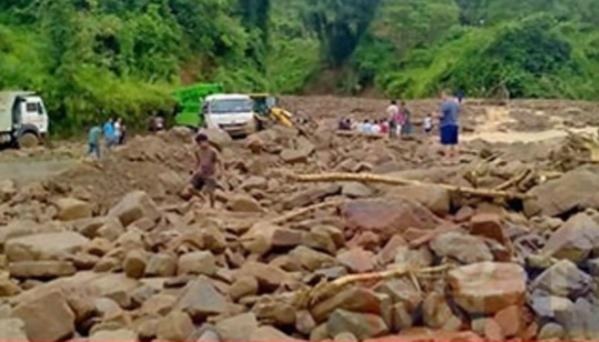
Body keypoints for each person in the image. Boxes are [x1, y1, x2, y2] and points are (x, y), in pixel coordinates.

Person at [184, 133, 224, 208]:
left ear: (206, 141)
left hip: (210, 174)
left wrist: (221, 172)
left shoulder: (213, 151)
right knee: (190, 188)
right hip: (200, 173)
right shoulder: (198, 151)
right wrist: (194, 169)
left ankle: (212, 207)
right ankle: (202, 198)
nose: (200, 145)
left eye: (201, 142)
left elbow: (220, 161)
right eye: (198, 143)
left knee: (211, 192)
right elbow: (198, 161)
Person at [439, 90, 460, 162]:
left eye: (442, 95)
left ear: (446, 95)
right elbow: (458, 112)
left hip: (446, 124)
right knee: (455, 143)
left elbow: (441, 115)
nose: (441, 97)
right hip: (455, 124)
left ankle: (447, 159)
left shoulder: (445, 104)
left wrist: (434, 115)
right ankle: (456, 159)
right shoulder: (456, 104)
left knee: (447, 143)